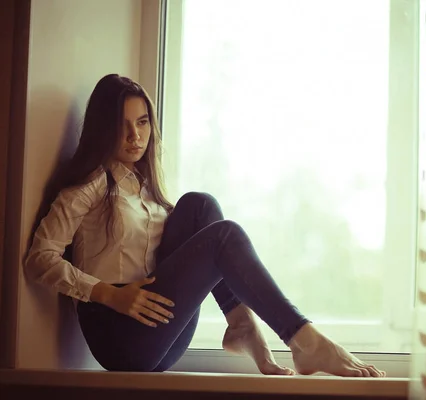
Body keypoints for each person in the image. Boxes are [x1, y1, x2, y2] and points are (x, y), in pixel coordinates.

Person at [25, 74, 385, 378]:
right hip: (119, 336)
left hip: (160, 333)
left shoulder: (146, 189)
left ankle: (240, 324)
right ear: (104, 129)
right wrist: (109, 293)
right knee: (222, 235)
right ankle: (304, 340)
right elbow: (39, 258)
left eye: (142, 122)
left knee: (200, 205)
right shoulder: (89, 186)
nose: (135, 136)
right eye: (122, 125)